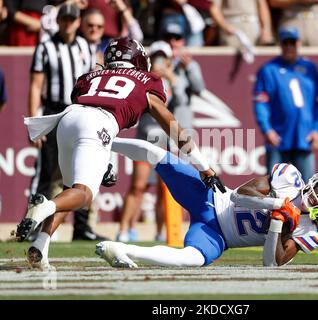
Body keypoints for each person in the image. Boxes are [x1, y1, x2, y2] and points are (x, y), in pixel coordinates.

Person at [17, 36, 224, 270]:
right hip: (97, 123)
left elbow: (89, 107)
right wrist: (203, 165)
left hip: (67, 119)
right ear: (137, 59)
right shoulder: (147, 80)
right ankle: (45, 206)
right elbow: (172, 125)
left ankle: (41, 246)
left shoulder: (89, 76)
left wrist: (102, 160)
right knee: (83, 195)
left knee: (70, 189)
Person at [95, 138, 318, 268]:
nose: (316, 197)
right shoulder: (289, 177)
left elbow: (270, 265)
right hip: (211, 197)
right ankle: (102, 142)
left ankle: (123, 250)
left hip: (218, 236)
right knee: (159, 155)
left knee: (192, 259)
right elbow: (239, 194)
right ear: (315, 180)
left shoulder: (311, 230)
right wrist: (276, 203)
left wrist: (280, 224)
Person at [26, 2, 105, 242]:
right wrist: (36, 124)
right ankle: (32, 226)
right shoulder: (45, 47)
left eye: (72, 20)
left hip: (79, 109)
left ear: (78, 22)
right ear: (58, 21)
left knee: (83, 171)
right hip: (53, 110)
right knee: (47, 174)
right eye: (65, 20)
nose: (68, 24)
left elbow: (92, 80)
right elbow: (36, 85)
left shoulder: (85, 46)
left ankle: (81, 228)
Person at [116, 40, 176, 242]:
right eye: (156, 56)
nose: (159, 61)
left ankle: (161, 231)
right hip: (145, 137)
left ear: (169, 60)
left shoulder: (175, 77)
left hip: (165, 140)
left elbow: (180, 101)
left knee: (164, 188)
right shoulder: (143, 78)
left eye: (163, 57)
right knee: (138, 185)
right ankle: (124, 230)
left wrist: (170, 77)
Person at [253, 26, 318, 183]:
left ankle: (308, 210)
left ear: (298, 43)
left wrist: (317, 130)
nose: (289, 47)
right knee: (275, 188)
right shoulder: (269, 70)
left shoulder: (310, 68)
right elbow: (261, 102)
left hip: (304, 137)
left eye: (292, 42)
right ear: (280, 44)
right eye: (285, 42)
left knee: (308, 189)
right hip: (278, 138)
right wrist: (267, 129)